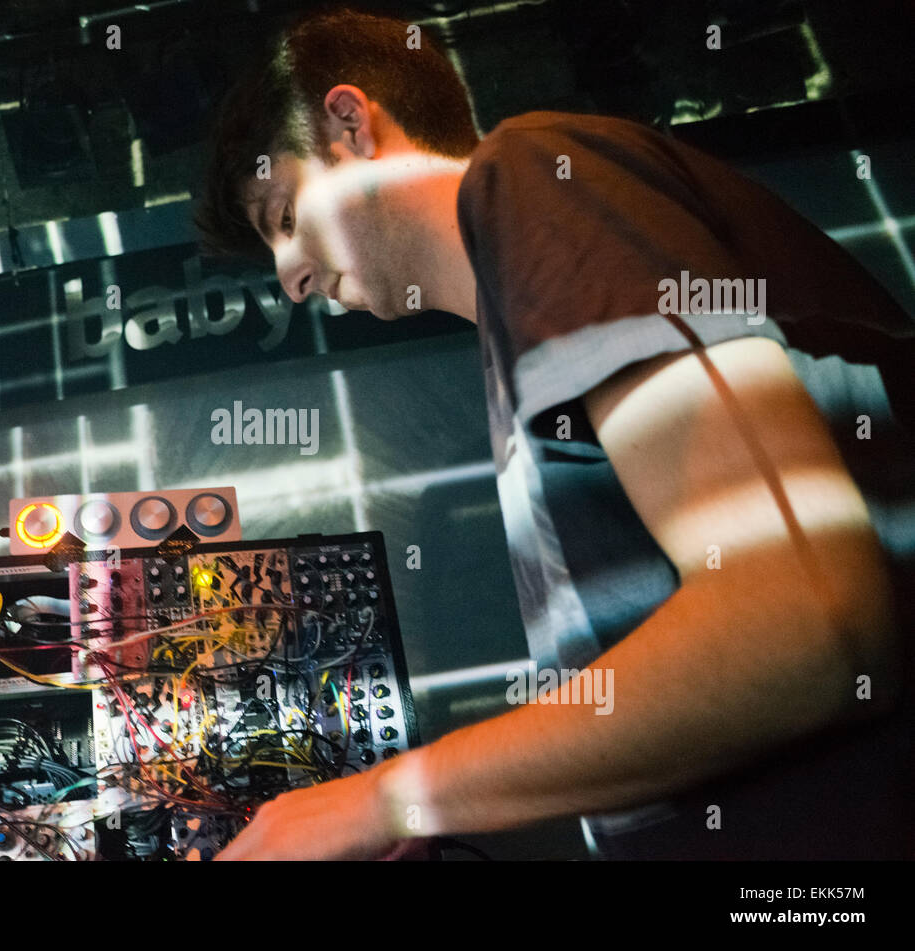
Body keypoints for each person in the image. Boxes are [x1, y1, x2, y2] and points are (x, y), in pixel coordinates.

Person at [193, 6, 915, 860]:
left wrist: (387, 800)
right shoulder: (523, 336)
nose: (293, 280)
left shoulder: (531, 173)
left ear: (352, 124)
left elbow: (807, 625)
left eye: (283, 216)